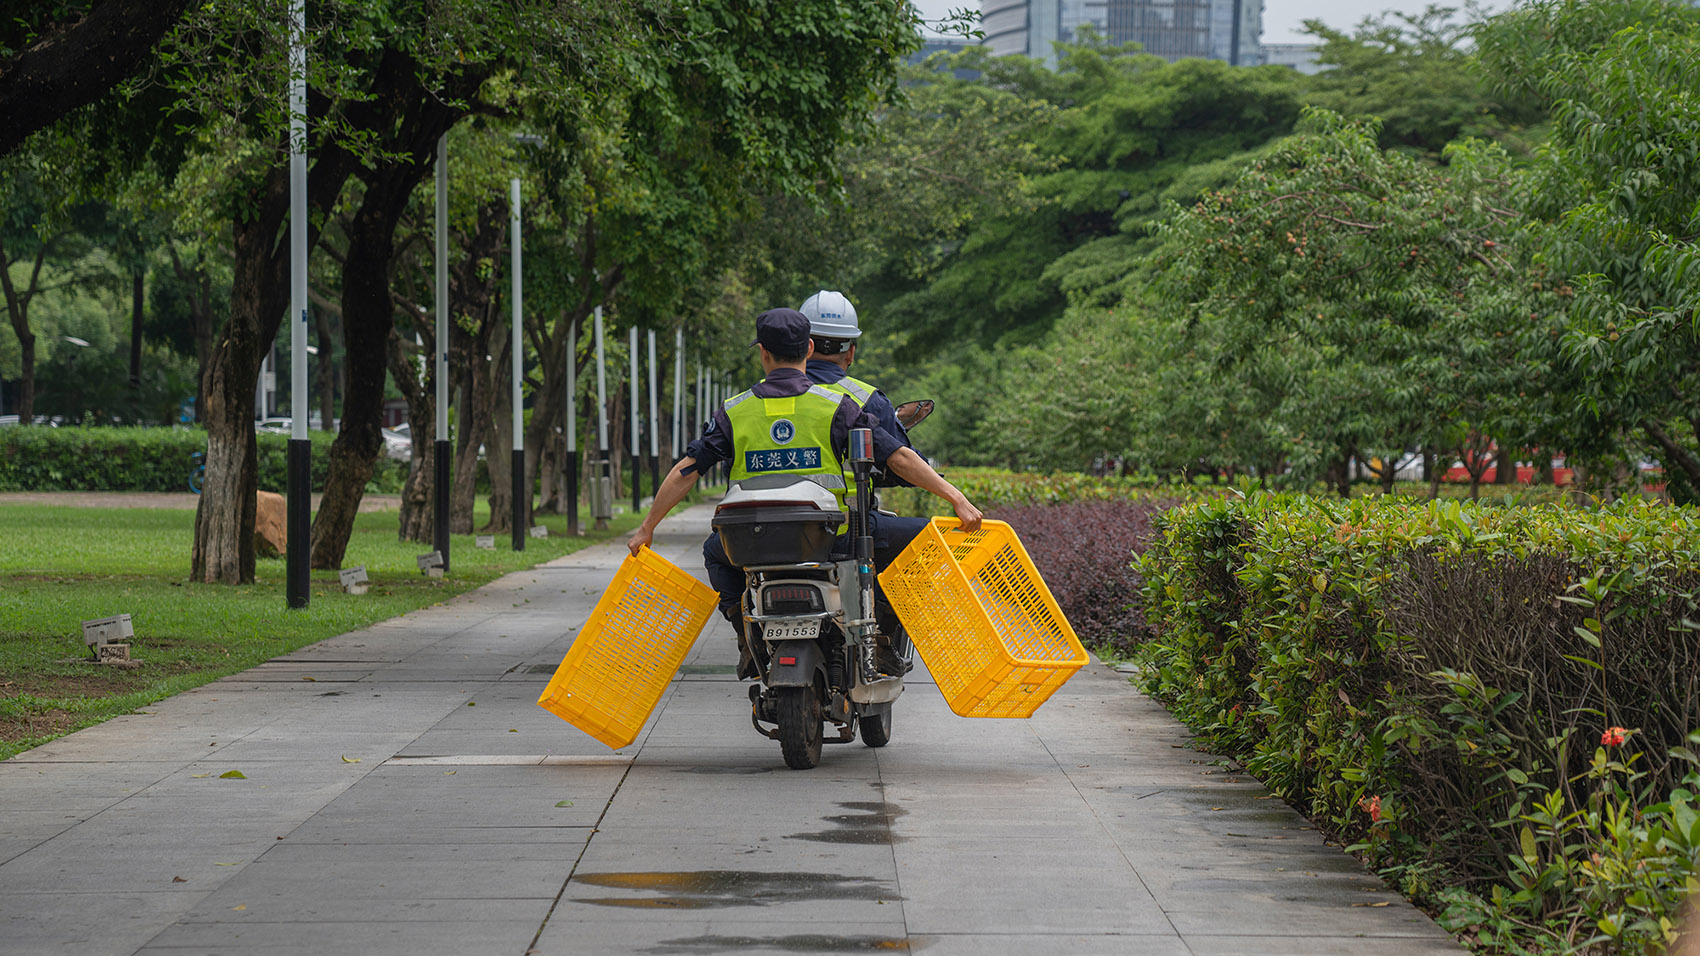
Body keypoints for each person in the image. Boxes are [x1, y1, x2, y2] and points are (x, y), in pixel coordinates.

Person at [626, 308, 982, 675]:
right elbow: (897, 457)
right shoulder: (836, 408)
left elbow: (687, 470)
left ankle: (746, 634)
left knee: (715, 553)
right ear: (808, 349)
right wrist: (956, 498)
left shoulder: (734, 412)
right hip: (833, 540)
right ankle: (881, 636)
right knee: (922, 538)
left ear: (763, 353)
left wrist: (647, 527)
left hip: (752, 543)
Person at [797, 290, 913, 477]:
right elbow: (904, 464)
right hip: (845, 505)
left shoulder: (759, 396)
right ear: (851, 352)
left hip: (759, 506)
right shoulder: (869, 400)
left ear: (804, 346)